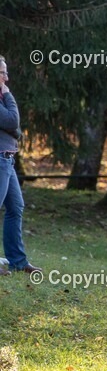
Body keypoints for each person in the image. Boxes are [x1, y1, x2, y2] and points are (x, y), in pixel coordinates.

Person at [0, 55, 41, 275]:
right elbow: (12, 121)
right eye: (3, 73)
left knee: (16, 207)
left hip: (8, 159)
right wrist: (7, 95)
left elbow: (13, 125)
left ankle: (18, 261)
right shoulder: (3, 96)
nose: (6, 77)